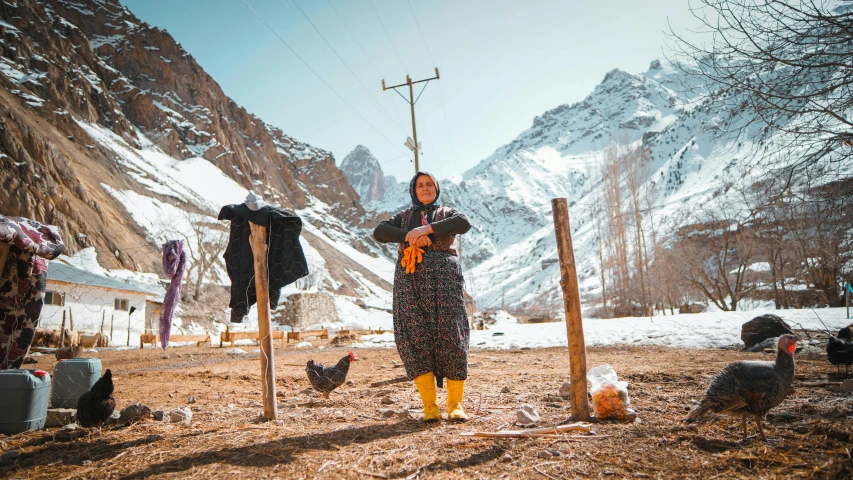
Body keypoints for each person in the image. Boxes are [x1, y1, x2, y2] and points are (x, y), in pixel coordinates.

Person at [373, 171, 472, 422]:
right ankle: (430, 406)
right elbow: (380, 231)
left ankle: (455, 405)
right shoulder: (404, 217)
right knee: (415, 333)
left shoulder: (448, 214)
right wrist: (409, 235)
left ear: (436, 189)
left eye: (429, 185)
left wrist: (427, 229)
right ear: (413, 190)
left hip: (445, 280)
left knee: (452, 333)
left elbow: (464, 224)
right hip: (410, 279)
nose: (425, 189)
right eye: (420, 185)